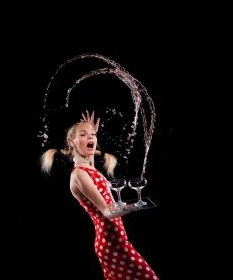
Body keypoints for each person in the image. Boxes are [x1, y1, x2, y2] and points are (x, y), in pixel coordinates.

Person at [40, 110, 159, 280]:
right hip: (112, 243)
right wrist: (134, 206)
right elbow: (108, 212)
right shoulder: (79, 174)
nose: (91, 138)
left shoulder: (90, 168)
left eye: (93, 135)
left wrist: (91, 134)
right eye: (83, 135)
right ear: (72, 142)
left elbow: (89, 157)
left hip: (117, 240)